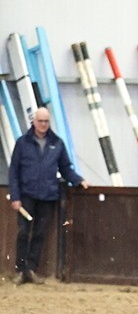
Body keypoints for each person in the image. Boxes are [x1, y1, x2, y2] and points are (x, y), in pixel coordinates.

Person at [8, 107, 88, 284]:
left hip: (47, 196)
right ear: (34, 122)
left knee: (40, 233)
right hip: (26, 195)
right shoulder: (22, 143)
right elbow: (13, 171)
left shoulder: (57, 143)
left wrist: (78, 180)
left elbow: (66, 168)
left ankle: (31, 269)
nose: (43, 125)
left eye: (46, 121)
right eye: (40, 121)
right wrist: (15, 196)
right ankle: (20, 270)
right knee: (23, 232)